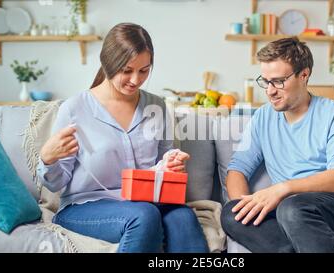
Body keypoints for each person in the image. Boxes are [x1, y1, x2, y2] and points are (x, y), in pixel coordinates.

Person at [37, 23, 209, 253]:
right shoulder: (75, 109)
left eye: (144, 70)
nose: (136, 80)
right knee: (143, 215)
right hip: (85, 207)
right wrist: (47, 159)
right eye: (127, 70)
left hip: (146, 201)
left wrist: (170, 165)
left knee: (183, 217)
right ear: (108, 63)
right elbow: (56, 183)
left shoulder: (156, 106)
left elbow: (163, 164)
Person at [220, 37, 334, 253]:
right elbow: (238, 169)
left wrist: (282, 189)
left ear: (304, 75)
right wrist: (245, 205)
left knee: (292, 207)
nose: (270, 91)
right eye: (265, 81)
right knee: (231, 213)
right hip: (292, 210)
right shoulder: (262, 117)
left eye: (278, 81)